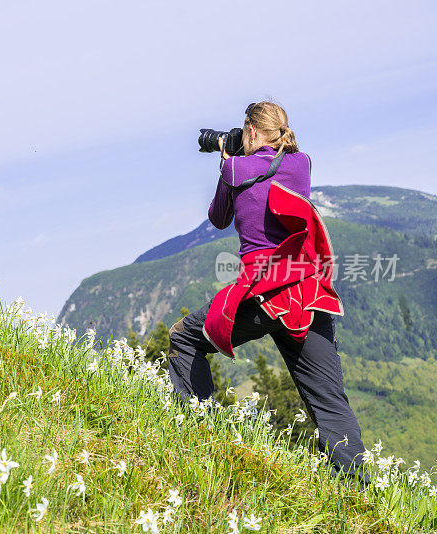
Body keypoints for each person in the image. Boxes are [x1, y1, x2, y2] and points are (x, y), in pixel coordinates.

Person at [163, 101, 369, 487]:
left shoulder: (234, 167)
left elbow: (218, 218)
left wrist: (226, 160)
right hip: (307, 292)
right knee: (328, 400)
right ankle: (359, 492)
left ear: (251, 132)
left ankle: (199, 442)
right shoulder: (302, 163)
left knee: (184, 338)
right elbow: (277, 165)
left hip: (260, 293)